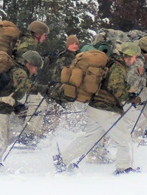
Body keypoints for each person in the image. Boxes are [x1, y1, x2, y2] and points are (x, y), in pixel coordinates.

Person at [54, 42, 141, 174]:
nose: (135, 60)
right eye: (134, 56)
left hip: (95, 107)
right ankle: (124, 167)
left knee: (89, 138)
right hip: (107, 110)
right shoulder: (117, 68)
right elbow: (115, 89)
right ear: (128, 56)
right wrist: (131, 97)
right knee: (124, 139)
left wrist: (129, 92)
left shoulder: (110, 64)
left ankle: (63, 159)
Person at [0, 50, 43, 174]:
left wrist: (16, 106)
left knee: (9, 134)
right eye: (35, 68)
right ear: (30, 64)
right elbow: (27, 86)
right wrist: (47, 90)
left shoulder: (15, 69)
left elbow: (9, 91)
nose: (35, 72)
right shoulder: (19, 72)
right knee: (0, 141)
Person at [14, 21, 50, 145]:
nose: (45, 38)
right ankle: (29, 134)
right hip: (16, 83)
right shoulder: (29, 43)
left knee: (2, 111)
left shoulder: (22, 40)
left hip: (11, 82)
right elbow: (24, 64)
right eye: (44, 35)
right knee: (39, 103)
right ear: (38, 34)